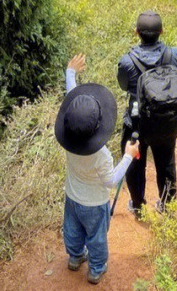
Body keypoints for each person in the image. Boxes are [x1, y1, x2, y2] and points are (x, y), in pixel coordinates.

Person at [55, 52, 141, 285]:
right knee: (96, 237)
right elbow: (111, 181)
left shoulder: (69, 138)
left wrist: (70, 72)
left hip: (72, 198)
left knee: (72, 230)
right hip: (94, 205)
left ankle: (74, 258)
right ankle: (96, 268)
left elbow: (72, 98)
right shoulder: (101, 155)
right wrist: (128, 156)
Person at [117, 11, 177, 216]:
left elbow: (124, 86)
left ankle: (138, 205)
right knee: (166, 160)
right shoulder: (175, 54)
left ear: (136, 32)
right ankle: (167, 207)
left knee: (134, 163)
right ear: (162, 31)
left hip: (136, 122)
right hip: (166, 119)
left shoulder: (127, 61)